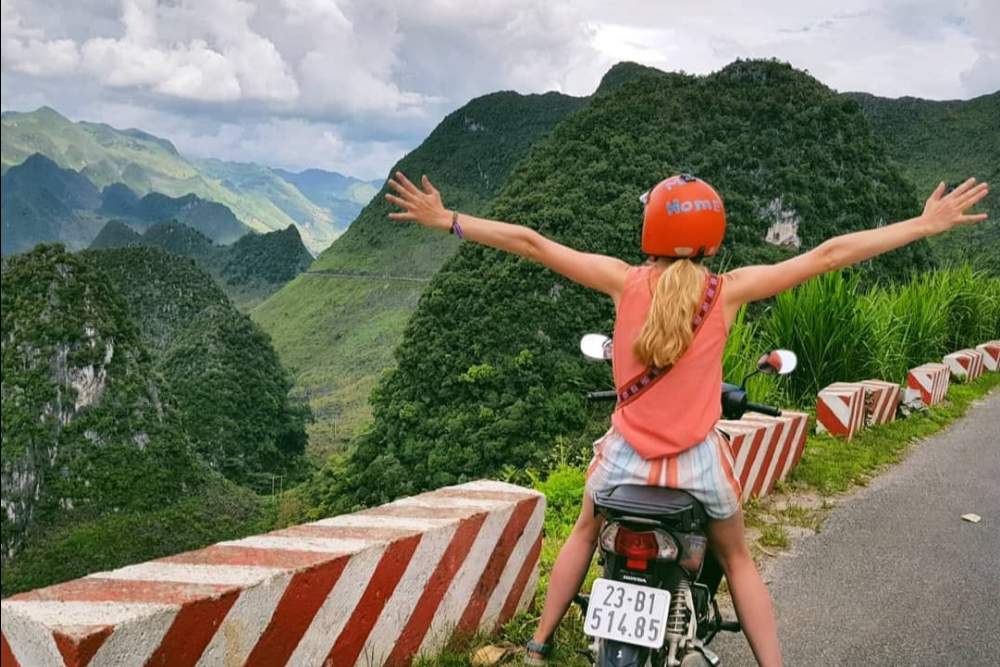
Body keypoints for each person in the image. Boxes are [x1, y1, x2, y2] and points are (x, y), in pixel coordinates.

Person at [385, 171, 989, 666]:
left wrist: (451, 219)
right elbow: (830, 254)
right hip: (697, 463)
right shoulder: (727, 291)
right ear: (713, 234)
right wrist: (923, 224)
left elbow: (533, 242)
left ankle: (539, 645)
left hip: (624, 457)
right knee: (739, 559)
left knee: (583, 532)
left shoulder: (622, 282)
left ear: (650, 228)